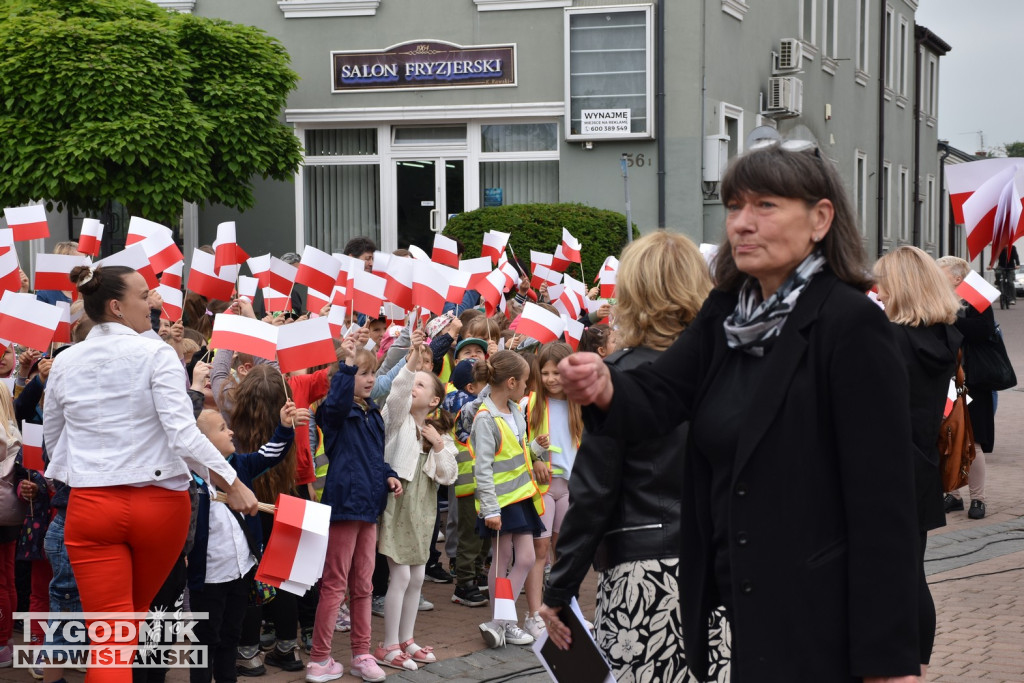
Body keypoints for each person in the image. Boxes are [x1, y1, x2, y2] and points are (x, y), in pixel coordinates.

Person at [553, 142, 921, 683]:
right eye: (733, 207)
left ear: (820, 218)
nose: (742, 224)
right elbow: (659, 395)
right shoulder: (726, 315)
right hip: (736, 602)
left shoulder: (849, 324)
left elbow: (884, 504)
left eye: (765, 206)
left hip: (818, 614)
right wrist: (607, 386)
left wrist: (887, 655)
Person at [43, 264, 257, 683]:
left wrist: (87, 470)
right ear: (117, 306)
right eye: (145, 296)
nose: (152, 303)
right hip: (158, 507)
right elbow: (183, 434)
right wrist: (232, 483)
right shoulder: (155, 351)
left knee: (113, 640)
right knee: (130, 627)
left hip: (90, 508)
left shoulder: (66, 361)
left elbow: (54, 440)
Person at [540, 231, 725, 681]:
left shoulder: (617, 378)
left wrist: (558, 590)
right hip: (722, 571)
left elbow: (595, 495)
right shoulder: (727, 368)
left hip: (644, 573)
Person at [874, 246, 962, 681]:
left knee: (887, 577)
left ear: (901, 287)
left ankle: (899, 665)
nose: (878, 291)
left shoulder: (891, 340)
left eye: (883, 282)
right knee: (913, 573)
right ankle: (916, 665)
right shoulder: (943, 337)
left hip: (885, 470)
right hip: (921, 463)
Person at [307, 338, 402, 683]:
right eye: (362, 372)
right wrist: (346, 366)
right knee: (335, 584)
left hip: (369, 508)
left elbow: (375, 459)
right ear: (343, 377)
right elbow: (333, 404)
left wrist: (389, 476)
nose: (368, 378)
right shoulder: (334, 413)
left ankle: (362, 654)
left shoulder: (373, 413)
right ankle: (319, 659)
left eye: (371, 372)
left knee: (363, 585)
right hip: (345, 506)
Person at [189, 402, 305, 683]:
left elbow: (269, 454)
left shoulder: (239, 465)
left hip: (240, 573)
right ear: (201, 442)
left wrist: (284, 427)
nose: (231, 433)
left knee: (232, 635)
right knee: (205, 641)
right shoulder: (189, 481)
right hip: (207, 580)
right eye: (222, 428)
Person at [375, 355, 457, 671]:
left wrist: (437, 443)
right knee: (401, 575)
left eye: (420, 384)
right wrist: (410, 363)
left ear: (434, 400)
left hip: (424, 510)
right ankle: (389, 644)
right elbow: (397, 393)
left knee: (418, 576)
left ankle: (407, 640)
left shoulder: (438, 433)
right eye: (413, 381)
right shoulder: (397, 419)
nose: (413, 386)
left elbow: (448, 475)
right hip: (399, 505)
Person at [470, 351, 542, 649]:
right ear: (511, 382)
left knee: (525, 558)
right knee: (501, 562)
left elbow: (518, 452)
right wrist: (490, 509)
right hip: (499, 504)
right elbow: (482, 468)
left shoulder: (515, 410)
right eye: (525, 381)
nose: (528, 387)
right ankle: (505, 622)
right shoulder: (486, 419)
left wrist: (535, 448)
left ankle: (499, 622)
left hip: (520, 498)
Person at [522, 342, 582, 640]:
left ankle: (565, 612)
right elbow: (521, 443)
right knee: (539, 551)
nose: (550, 379)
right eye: (544, 373)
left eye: (556, 372)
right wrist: (535, 459)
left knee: (564, 551)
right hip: (542, 487)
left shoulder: (580, 403)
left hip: (571, 487)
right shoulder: (532, 403)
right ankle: (533, 614)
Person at [936, 256, 993, 519]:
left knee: (975, 440)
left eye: (942, 273)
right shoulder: (939, 299)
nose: (937, 277)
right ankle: (954, 495)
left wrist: (949, 319)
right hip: (947, 379)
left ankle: (978, 499)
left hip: (973, 380)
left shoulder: (976, 299)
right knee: (950, 436)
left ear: (957, 278)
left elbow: (982, 331)